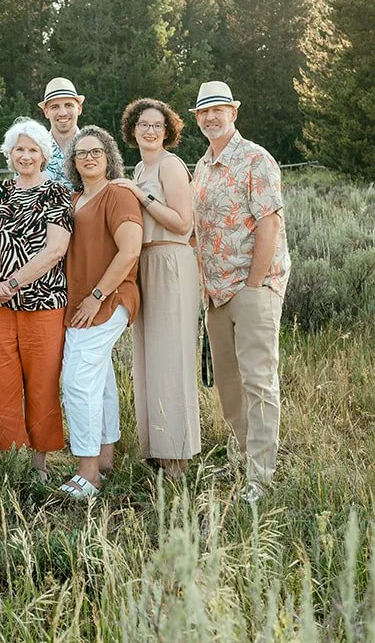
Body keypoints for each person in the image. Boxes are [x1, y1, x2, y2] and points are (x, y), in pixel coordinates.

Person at [190, 82, 290, 504]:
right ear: (197, 119)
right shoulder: (201, 166)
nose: (211, 117)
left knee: (259, 383)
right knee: (229, 386)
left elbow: (268, 224)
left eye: (219, 109)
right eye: (203, 112)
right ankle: (243, 458)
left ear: (234, 111)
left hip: (253, 287)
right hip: (215, 293)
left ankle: (260, 478)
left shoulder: (256, 159)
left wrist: (253, 285)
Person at [0, 117, 73, 472]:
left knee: (42, 382)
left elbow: (55, 251)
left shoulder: (56, 192)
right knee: (2, 381)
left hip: (43, 303)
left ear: (44, 154)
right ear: (9, 153)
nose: (26, 155)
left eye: (33, 149)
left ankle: (40, 462)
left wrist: (12, 284)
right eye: (19, 149)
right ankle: (9, 460)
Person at [115, 97, 201, 477]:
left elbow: (184, 223)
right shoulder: (138, 168)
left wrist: (142, 196)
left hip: (170, 260)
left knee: (172, 359)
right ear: (132, 130)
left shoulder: (169, 166)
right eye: (143, 125)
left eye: (157, 125)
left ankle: (178, 457)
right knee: (148, 359)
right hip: (143, 263)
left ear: (168, 132)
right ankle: (156, 450)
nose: (150, 131)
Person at [57, 125, 143, 500]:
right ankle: (105, 457)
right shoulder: (74, 197)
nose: (89, 157)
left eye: (96, 151)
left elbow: (129, 251)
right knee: (100, 378)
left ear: (109, 157)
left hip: (109, 298)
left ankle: (87, 472)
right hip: (79, 301)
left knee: (78, 380)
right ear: (73, 162)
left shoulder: (117, 195)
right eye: (81, 153)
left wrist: (96, 295)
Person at [38, 77, 83, 180]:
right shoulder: (34, 150)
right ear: (46, 112)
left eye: (68, 105)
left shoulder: (94, 148)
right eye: (55, 107)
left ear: (79, 109)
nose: (63, 113)